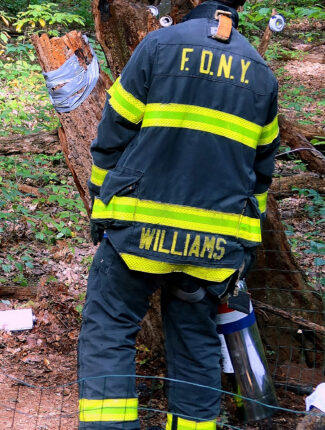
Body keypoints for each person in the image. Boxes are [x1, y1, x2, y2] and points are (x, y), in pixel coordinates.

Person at [76, 0, 280, 428]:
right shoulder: (262, 74)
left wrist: (101, 201)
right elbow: (261, 174)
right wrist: (244, 245)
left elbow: (113, 132)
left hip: (138, 234)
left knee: (109, 328)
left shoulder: (159, 46)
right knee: (195, 343)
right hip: (212, 247)